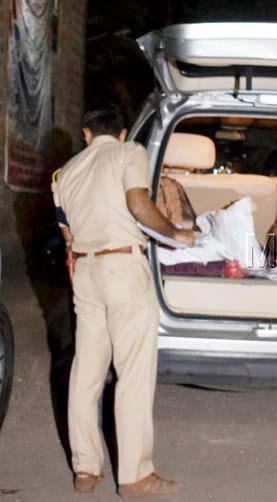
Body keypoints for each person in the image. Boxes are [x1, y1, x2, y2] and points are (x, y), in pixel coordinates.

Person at [52, 106, 195, 496]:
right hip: (122, 268)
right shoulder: (129, 152)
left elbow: (66, 234)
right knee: (132, 372)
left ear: (85, 134)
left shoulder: (65, 172)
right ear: (122, 132)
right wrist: (175, 233)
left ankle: (85, 468)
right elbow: (138, 204)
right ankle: (135, 475)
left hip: (85, 272)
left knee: (86, 372)